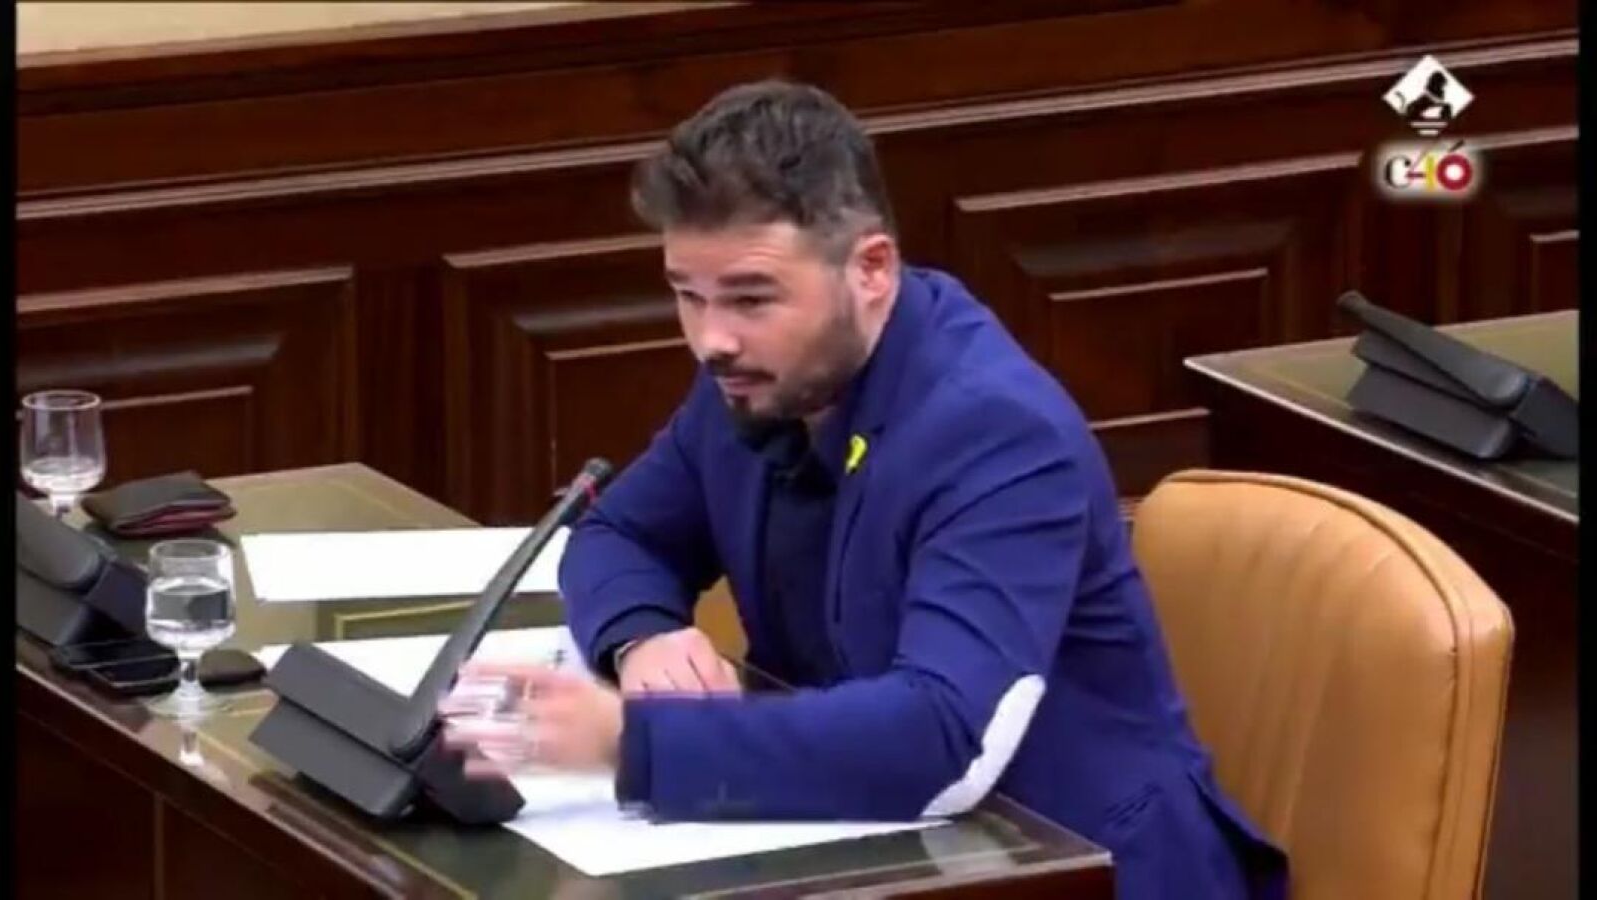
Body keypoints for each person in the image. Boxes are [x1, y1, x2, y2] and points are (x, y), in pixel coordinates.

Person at [445, 79, 1288, 899]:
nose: (711, 339)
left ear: (872, 268)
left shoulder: (998, 433)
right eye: (687, 296)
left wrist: (632, 741)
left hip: (1078, 866)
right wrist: (641, 638)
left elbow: (941, 739)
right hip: (876, 847)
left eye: (750, 298)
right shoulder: (758, 377)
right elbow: (622, 534)